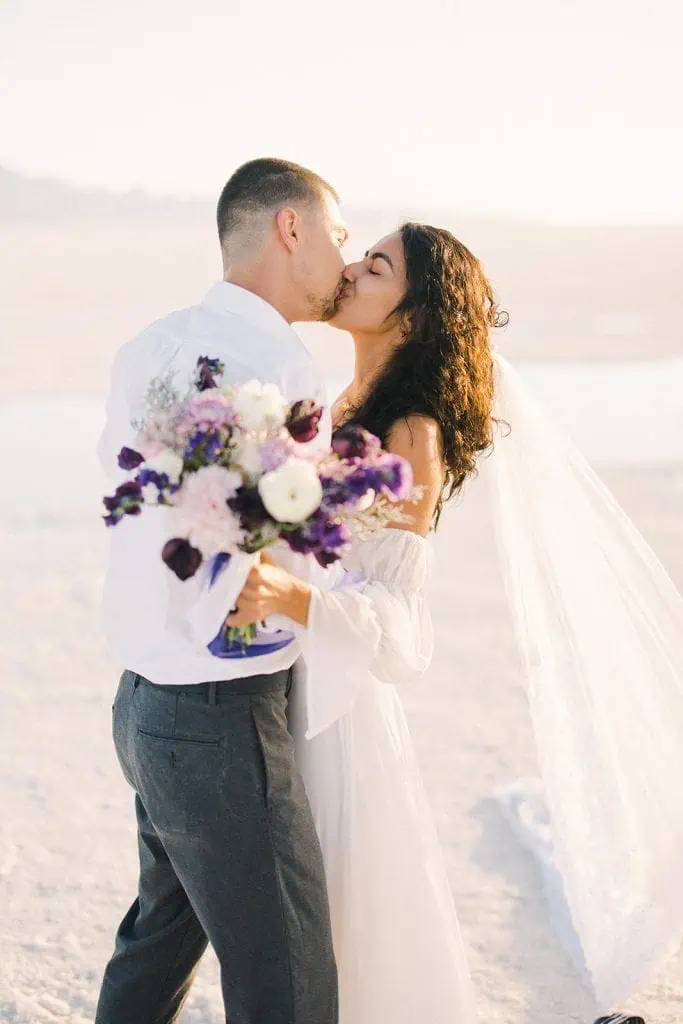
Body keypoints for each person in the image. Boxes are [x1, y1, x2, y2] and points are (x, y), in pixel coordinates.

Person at [233, 222, 681, 1021]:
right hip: (284, 680)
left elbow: (400, 635)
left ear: (413, 313)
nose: (351, 273)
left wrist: (293, 597)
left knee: (343, 919)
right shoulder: (339, 401)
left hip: (341, 721)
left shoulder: (414, 435)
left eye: (376, 268)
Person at [95, 157, 349, 1024]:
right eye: (338, 235)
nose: (345, 261)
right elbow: (288, 544)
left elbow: (125, 503)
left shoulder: (149, 344)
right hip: (221, 711)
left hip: (143, 703)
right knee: (287, 978)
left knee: (159, 942)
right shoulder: (277, 367)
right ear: (291, 228)